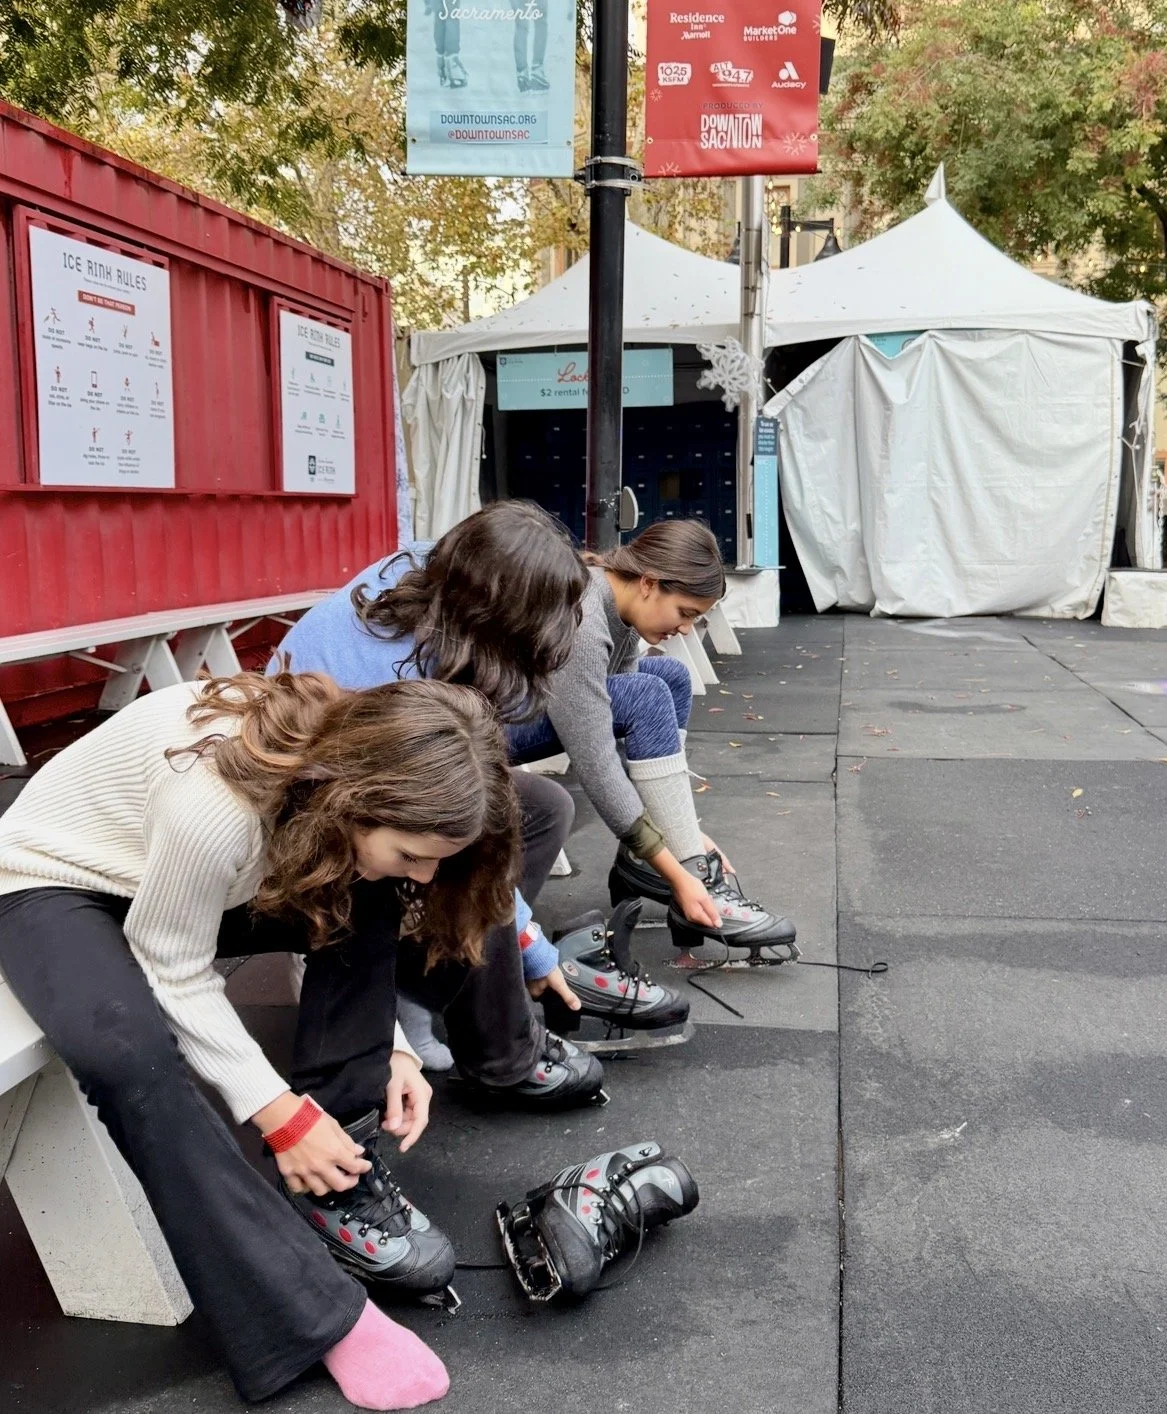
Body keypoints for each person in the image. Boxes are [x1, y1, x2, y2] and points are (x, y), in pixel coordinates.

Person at [0, 670, 522, 1407]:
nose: (426, 873)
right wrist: (280, 1117)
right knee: (126, 1054)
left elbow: (332, 910)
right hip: (53, 880)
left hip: (182, 882)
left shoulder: (344, 776)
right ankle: (314, 1316)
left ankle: (336, 1176)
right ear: (352, 799)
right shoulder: (217, 804)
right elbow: (171, 965)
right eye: (413, 852)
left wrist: (392, 1048)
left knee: (369, 893)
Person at [273, 500, 679, 1096]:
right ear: (499, 614)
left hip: (370, 779)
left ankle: (437, 982)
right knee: (473, 857)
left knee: (543, 808)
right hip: (310, 815)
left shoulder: (438, 579)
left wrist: (519, 939)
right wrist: (533, 950)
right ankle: (502, 1056)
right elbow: (466, 830)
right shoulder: (397, 678)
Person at [506, 518, 798, 958]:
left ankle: (644, 861)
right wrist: (679, 870)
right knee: (646, 694)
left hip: (536, 705)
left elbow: (627, 737)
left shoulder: (619, 609)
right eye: (685, 613)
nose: (686, 629)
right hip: (488, 726)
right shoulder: (584, 617)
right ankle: (687, 868)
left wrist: (677, 828)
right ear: (648, 583)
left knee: (671, 676)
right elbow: (597, 761)